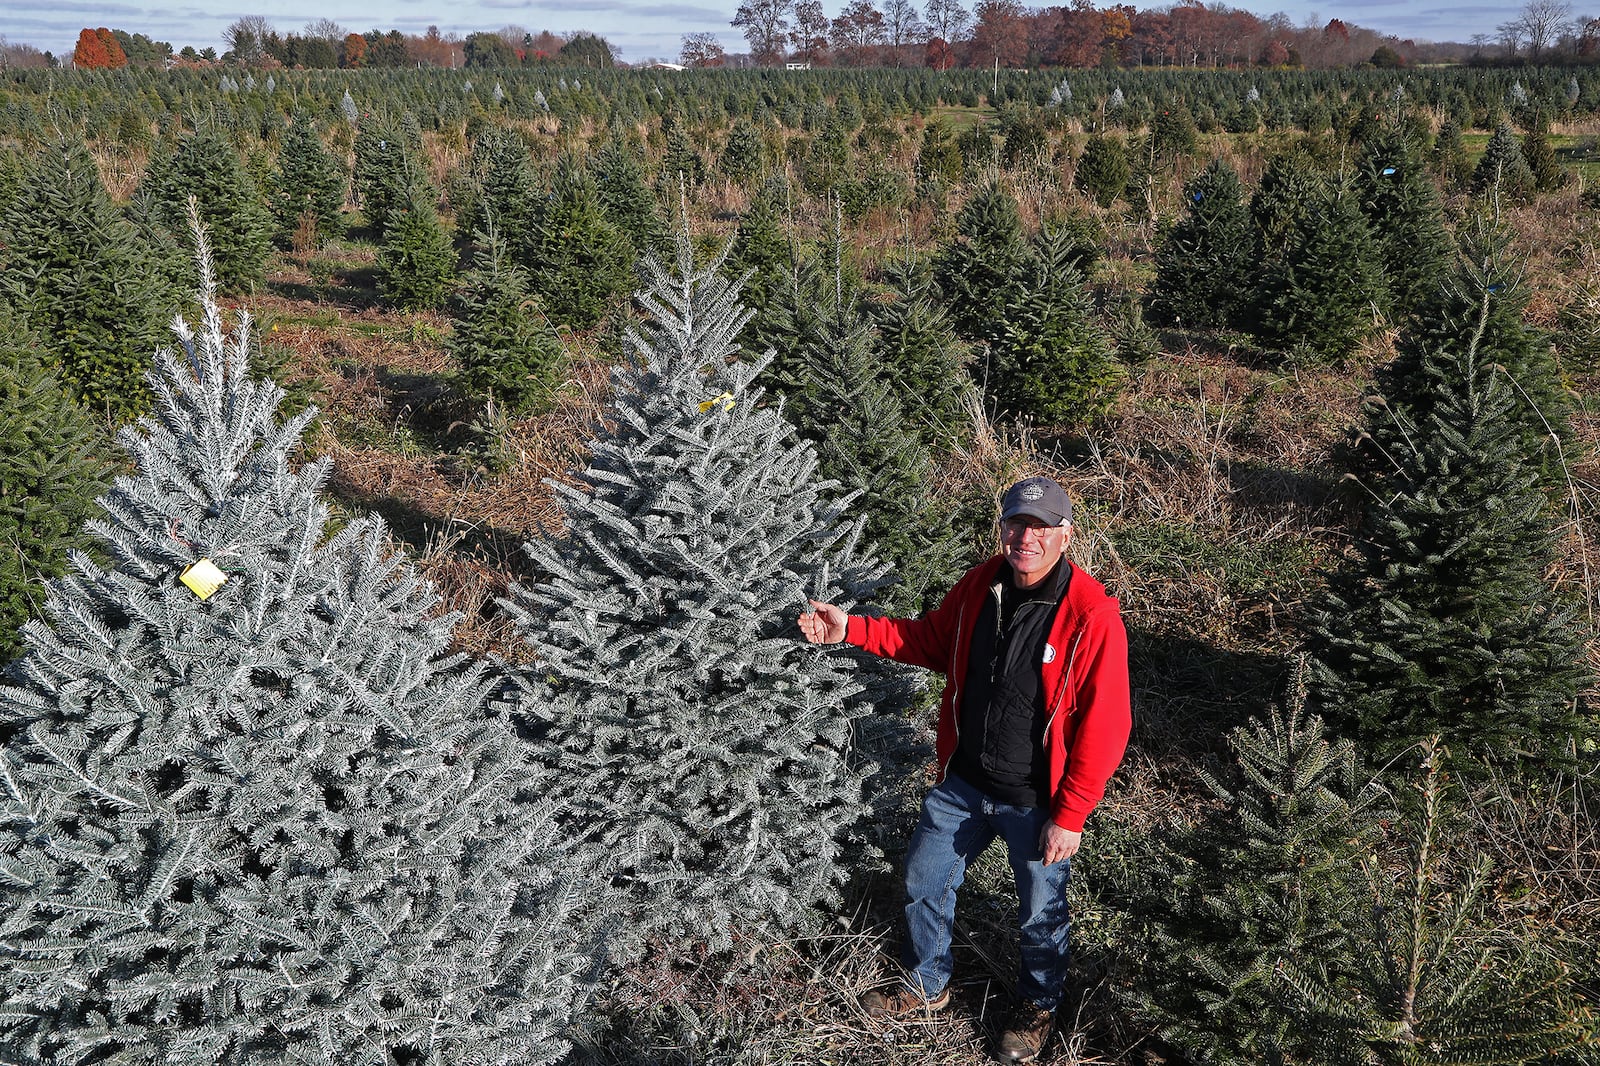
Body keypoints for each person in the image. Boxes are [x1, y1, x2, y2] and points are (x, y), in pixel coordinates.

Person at [799, 475, 1130, 1065]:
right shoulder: (981, 584)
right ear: (1003, 527)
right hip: (964, 782)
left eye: (1040, 528)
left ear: (1065, 535)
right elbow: (929, 641)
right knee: (925, 880)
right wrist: (848, 628)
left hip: (1037, 800)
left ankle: (1037, 1007)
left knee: (1040, 910)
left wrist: (1071, 813)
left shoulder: (1090, 613)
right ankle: (927, 983)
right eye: (1016, 524)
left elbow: (1108, 724)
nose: (1025, 537)